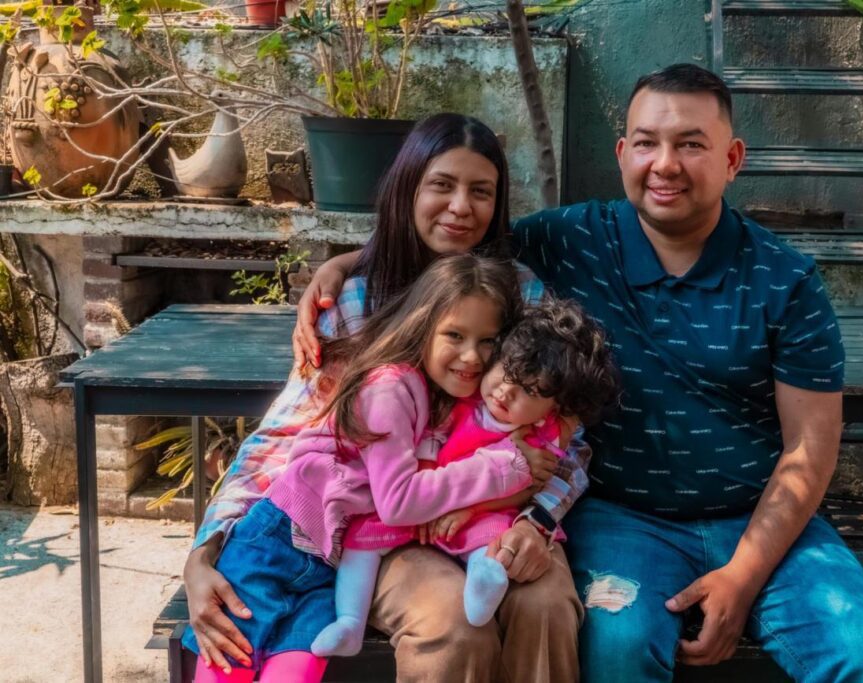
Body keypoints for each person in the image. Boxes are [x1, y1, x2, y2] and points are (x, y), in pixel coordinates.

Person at [297, 65, 863, 682]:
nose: (664, 164)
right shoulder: (572, 240)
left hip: (759, 518)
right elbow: (456, 239)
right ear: (622, 154)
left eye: (691, 144)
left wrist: (743, 576)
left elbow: (810, 449)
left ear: (732, 159)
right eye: (646, 142)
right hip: (625, 520)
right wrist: (348, 265)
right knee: (616, 648)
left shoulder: (785, 280)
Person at [184, 113, 585, 683]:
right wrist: (204, 549)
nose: (461, 206)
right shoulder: (356, 302)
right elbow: (286, 434)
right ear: (407, 189)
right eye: (441, 184)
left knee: (545, 604)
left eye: (481, 191)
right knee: (451, 623)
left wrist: (536, 522)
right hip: (387, 528)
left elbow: (570, 441)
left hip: (503, 512)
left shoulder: (523, 296)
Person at [184, 254, 545, 682]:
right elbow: (397, 502)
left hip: (329, 564)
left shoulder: (448, 394)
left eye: (488, 341)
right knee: (230, 666)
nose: (472, 356)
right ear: (422, 326)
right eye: (455, 335)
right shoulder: (390, 388)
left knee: (296, 672)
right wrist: (504, 468)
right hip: (280, 541)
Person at [313, 298, 619, 658]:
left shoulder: (542, 433)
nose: (506, 391)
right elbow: (424, 447)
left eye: (530, 391)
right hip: (419, 506)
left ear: (553, 408)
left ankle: (483, 583)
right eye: (507, 373)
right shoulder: (459, 394)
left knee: (535, 596)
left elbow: (541, 480)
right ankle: (349, 621)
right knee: (369, 544)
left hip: (487, 519)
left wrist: (474, 510)